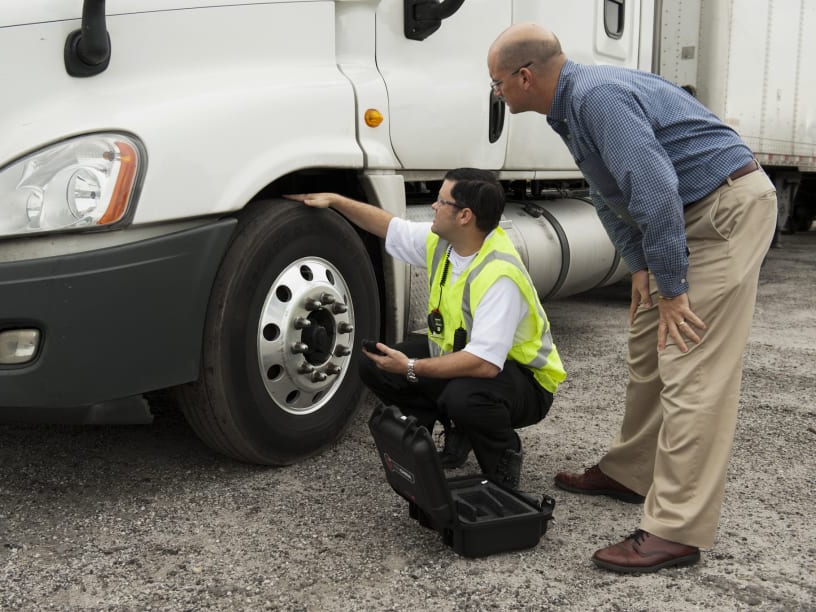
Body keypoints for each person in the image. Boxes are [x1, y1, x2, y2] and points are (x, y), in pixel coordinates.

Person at [487, 24, 777, 573]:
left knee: (693, 365)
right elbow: (606, 192)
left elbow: (654, 187)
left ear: (524, 76)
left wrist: (673, 287)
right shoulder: (569, 107)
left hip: (722, 214)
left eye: (497, 83)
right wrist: (642, 265)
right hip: (684, 214)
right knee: (648, 349)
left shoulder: (596, 98)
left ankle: (676, 529)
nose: (497, 93)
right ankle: (631, 472)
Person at [285, 168, 565, 489]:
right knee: (374, 361)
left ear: (465, 216)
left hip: (524, 382)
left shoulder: (498, 274)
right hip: (468, 361)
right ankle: (447, 432)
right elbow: (389, 226)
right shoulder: (445, 243)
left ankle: (501, 463)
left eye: (441, 201)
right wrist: (336, 201)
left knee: (464, 397)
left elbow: (485, 364)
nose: (433, 206)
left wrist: (411, 367)